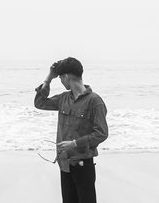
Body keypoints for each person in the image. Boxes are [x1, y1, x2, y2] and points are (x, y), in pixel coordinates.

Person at [34, 57, 108, 203]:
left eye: (60, 77)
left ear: (66, 76)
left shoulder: (95, 101)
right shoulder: (63, 98)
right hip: (65, 165)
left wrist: (74, 143)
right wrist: (48, 79)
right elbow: (40, 103)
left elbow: (102, 133)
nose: (60, 81)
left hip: (83, 165)